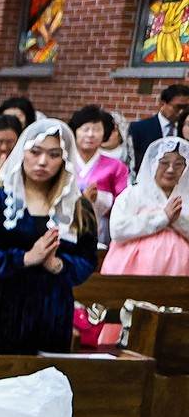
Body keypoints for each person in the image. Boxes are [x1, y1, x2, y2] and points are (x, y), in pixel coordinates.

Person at [0, 118, 97, 355]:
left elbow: (87, 259)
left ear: (65, 159)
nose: (43, 161)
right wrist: (23, 258)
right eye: (35, 152)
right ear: (22, 151)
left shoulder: (76, 207)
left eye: (54, 155)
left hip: (49, 311)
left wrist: (57, 264)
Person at [105, 137, 189, 275]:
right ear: (153, 163)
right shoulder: (133, 194)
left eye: (178, 164)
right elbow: (117, 229)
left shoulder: (186, 197)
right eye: (164, 163)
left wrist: (177, 220)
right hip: (133, 269)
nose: (170, 169)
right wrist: (162, 217)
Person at [69, 104, 131, 235]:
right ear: (75, 131)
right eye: (85, 129)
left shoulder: (116, 166)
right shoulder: (65, 162)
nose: (90, 134)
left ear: (104, 133)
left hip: (101, 228)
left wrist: (99, 199)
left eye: (96, 129)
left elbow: (123, 202)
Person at [128, 83, 189, 165]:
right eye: (177, 107)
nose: (181, 112)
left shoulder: (185, 129)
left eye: (185, 108)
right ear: (163, 104)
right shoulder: (139, 128)